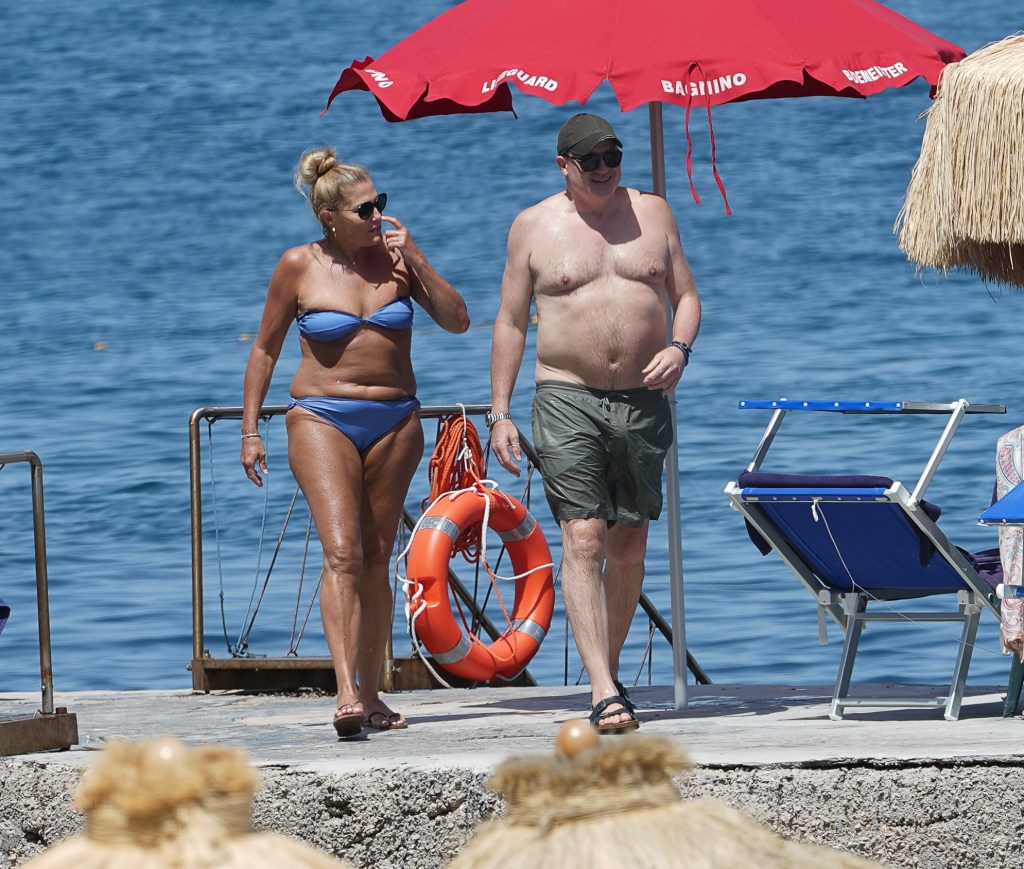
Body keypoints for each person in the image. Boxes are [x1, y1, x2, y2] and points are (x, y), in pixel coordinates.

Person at [241, 146, 469, 737]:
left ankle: (371, 693)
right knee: (342, 551)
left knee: (375, 556)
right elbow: (264, 349)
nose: (377, 216)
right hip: (321, 418)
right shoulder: (299, 265)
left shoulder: (397, 265)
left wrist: (417, 258)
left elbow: (458, 319)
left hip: (396, 421)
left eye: (381, 204)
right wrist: (249, 430)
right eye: (365, 209)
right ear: (330, 219)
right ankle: (344, 694)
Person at [488, 113, 701, 734]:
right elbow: (509, 321)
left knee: (629, 540)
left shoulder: (653, 214)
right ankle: (605, 689)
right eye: (591, 162)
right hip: (566, 395)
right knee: (583, 536)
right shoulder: (533, 226)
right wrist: (500, 412)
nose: (605, 170)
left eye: (613, 157)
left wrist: (681, 349)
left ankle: (602, 672)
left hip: (644, 398)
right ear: (564, 167)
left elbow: (686, 296)